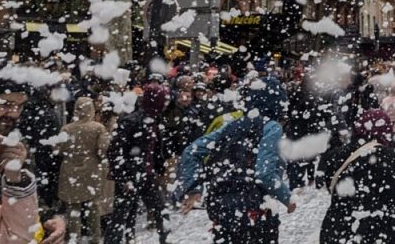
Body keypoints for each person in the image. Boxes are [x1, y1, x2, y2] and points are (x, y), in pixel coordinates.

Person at [173, 76, 295, 243]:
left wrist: (193, 188)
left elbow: (191, 151)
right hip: (254, 207)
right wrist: (287, 198)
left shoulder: (233, 124)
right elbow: (264, 173)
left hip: (221, 207)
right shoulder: (271, 127)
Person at [0, 63, 67, 244]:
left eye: (20, 106)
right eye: (6, 104)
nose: (14, 114)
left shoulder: (14, 143)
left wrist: (50, 218)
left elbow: (16, 210)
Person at [319, 109, 395, 244]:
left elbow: (331, 190)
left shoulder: (335, 156)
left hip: (338, 231)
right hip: (378, 233)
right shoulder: (393, 159)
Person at [105, 82, 170, 244]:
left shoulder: (156, 119)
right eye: (162, 100)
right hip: (130, 175)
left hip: (147, 175)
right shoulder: (131, 121)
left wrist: (159, 167)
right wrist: (123, 178)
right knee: (121, 217)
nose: (165, 104)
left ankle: (165, 239)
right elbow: (115, 152)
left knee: (161, 211)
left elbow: (154, 149)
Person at [58, 96, 111, 243]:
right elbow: (102, 149)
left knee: (73, 208)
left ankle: (75, 238)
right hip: (91, 169)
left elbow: (58, 149)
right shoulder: (98, 128)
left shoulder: (66, 129)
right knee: (93, 206)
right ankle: (95, 237)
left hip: (69, 170)